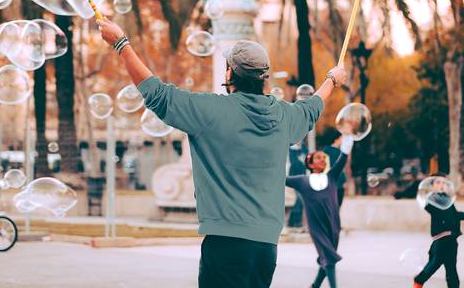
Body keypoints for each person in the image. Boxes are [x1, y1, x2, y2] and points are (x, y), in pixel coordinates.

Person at [97, 18, 348, 288]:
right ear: (263, 77)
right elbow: (312, 107)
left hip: (225, 245)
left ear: (229, 74)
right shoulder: (285, 116)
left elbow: (156, 94)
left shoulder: (210, 111)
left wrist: (122, 43)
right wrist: (333, 79)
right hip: (266, 248)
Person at [286, 137, 353, 288]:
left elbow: (343, 157)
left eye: (324, 158)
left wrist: (350, 137)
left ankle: (315, 285)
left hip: (333, 225)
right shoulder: (302, 181)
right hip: (317, 228)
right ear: (310, 163)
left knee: (327, 257)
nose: (323, 160)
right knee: (329, 258)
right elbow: (280, 179)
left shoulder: (332, 176)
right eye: (318, 158)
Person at [414, 173, 464, 288]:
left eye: (444, 183)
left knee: (451, 269)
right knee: (433, 265)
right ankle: (418, 282)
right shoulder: (432, 199)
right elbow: (430, 208)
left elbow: (454, 215)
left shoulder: (447, 199)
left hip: (451, 239)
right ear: (432, 185)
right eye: (438, 182)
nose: (442, 185)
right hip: (441, 239)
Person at [318, 128, 347, 207]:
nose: (342, 141)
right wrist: (344, 181)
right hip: (337, 185)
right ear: (336, 139)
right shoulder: (337, 152)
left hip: (329, 184)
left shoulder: (325, 150)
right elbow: (339, 168)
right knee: (336, 207)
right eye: (341, 138)